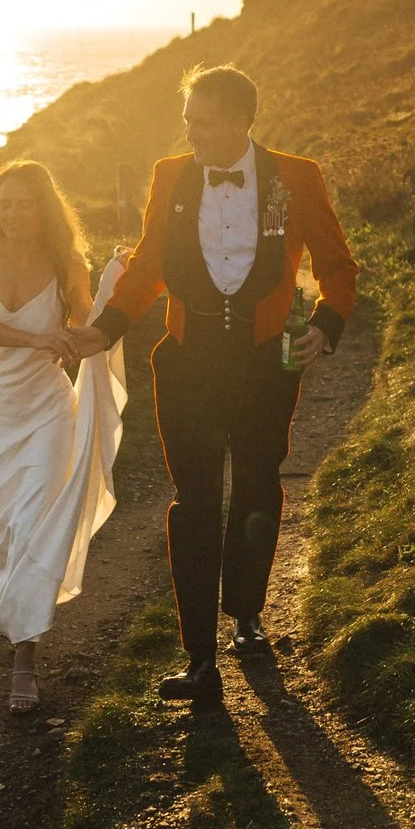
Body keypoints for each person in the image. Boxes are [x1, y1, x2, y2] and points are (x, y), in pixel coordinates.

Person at [66, 65, 356, 708]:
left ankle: (248, 614)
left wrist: (328, 324)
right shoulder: (172, 177)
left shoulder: (296, 176)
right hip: (188, 363)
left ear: (238, 121)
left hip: (265, 361)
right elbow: (146, 266)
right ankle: (199, 658)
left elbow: (337, 264)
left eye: (201, 121)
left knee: (257, 483)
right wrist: (107, 326)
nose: (189, 132)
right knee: (194, 501)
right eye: (188, 120)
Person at [0, 161, 128, 713]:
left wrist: (113, 286)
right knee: (0, 531)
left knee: (33, 522)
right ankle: (19, 622)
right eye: (4, 203)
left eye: (23, 204)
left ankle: (24, 660)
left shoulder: (65, 261)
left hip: (48, 409)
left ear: (44, 208)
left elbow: (85, 327)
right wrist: (38, 340)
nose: (12, 214)